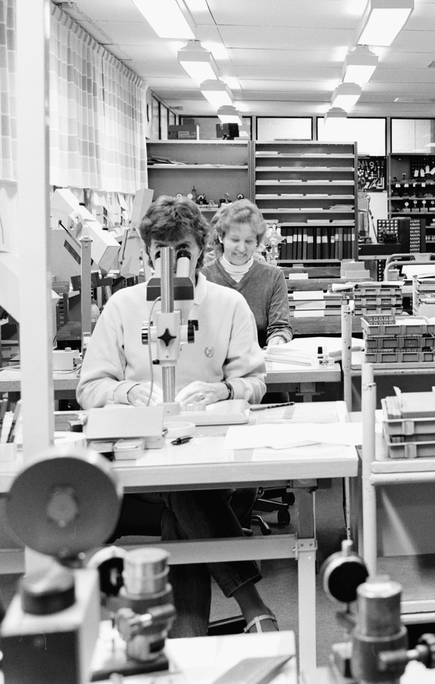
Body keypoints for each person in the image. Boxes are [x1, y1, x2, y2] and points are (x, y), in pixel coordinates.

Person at [78, 196, 278, 636]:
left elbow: (254, 381)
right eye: (160, 252)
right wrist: (127, 391)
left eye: (181, 251)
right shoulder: (123, 306)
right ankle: (253, 608)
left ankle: (190, 644)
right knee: (181, 497)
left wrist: (223, 389)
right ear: (147, 253)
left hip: (209, 459)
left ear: (202, 249)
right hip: (143, 464)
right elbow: (89, 388)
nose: (169, 264)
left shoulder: (228, 305)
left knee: (183, 497)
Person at [202, 200, 292, 349]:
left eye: (249, 241)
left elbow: (280, 327)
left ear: (257, 242)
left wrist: (278, 339)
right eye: (235, 240)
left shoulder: (273, 277)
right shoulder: (203, 277)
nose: (242, 248)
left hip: (260, 358)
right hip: (214, 359)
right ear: (221, 237)